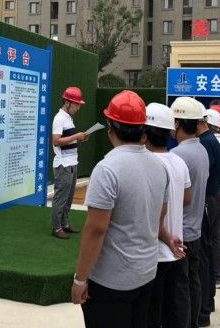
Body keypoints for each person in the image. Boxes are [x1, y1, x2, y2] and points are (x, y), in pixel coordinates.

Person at [71, 90, 171, 328]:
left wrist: (80, 279)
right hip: (146, 273)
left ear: (111, 128)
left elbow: (96, 229)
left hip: (111, 282)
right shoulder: (159, 166)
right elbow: (160, 216)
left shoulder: (107, 169)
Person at [145, 102, 191, 328]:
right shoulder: (179, 162)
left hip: (154, 253)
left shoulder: (147, 164)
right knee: (172, 312)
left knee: (152, 315)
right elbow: (187, 199)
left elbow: (150, 212)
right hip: (176, 251)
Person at [170, 96, 210, 328]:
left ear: (177, 123)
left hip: (180, 233)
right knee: (193, 281)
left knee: (180, 288)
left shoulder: (179, 155)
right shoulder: (201, 150)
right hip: (194, 229)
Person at [197, 104, 220, 327]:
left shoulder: (206, 143)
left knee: (203, 255)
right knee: (209, 248)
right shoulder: (212, 141)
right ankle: (208, 302)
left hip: (207, 201)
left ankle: (204, 307)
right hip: (213, 199)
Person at [51, 86, 88, 240]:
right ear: (67, 102)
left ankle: (64, 224)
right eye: (76, 105)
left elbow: (67, 141)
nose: (78, 108)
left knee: (69, 198)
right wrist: (76, 137)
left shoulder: (68, 118)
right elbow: (56, 141)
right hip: (63, 164)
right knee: (61, 198)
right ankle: (56, 228)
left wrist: (80, 138)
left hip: (72, 162)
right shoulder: (59, 118)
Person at [206, 109, 220, 290]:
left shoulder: (211, 143)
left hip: (213, 194)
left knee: (212, 236)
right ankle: (216, 275)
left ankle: (213, 275)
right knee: (216, 235)